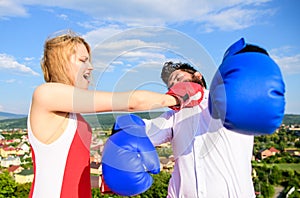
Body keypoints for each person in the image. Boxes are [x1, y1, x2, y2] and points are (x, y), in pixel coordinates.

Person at [27, 29, 202, 198]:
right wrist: (180, 97)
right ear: (61, 62)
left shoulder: (73, 117)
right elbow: (134, 103)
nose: (91, 67)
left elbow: (67, 174)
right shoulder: (45, 94)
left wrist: (110, 181)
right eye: (83, 60)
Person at [143, 61, 256, 197]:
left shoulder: (227, 101)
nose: (176, 86)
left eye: (179, 79)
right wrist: (124, 127)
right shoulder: (174, 116)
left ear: (198, 76)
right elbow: (143, 133)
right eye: (172, 86)